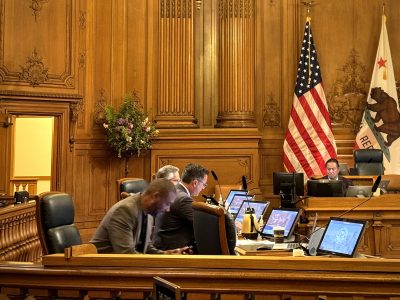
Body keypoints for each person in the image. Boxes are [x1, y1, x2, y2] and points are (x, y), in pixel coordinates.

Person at [90, 178, 189, 254]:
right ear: (155, 196)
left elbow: (146, 247)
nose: (168, 209)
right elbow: (127, 255)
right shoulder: (125, 210)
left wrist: (165, 254)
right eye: (167, 204)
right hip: (101, 270)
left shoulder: (149, 212)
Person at [153, 163, 209, 251]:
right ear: (195, 183)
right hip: (173, 252)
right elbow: (204, 225)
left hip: (162, 245)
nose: (203, 188)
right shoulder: (183, 199)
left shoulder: (174, 192)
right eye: (204, 184)